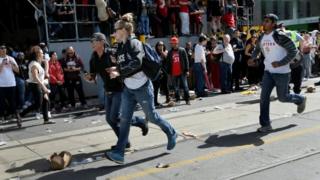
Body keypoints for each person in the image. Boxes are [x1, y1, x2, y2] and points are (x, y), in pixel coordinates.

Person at [105, 13, 177, 164]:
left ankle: (171, 132)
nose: (113, 34)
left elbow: (136, 63)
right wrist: (115, 69)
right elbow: (123, 65)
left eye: (115, 31)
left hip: (142, 88)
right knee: (124, 119)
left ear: (123, 30)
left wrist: (119, 71)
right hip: (128, 89)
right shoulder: (120, 47)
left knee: (152, 117)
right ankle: (119, 152)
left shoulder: (135, 43)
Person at [84, 32, 149, 150]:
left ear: (102, 42)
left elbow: (123, 67)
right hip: (108, 90)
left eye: (94, 40)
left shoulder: (112, 54)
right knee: (110, 119)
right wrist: (89, 78)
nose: (91, 43)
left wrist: (116, 69)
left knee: (115, 117)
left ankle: (140, 122)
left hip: (120, 89)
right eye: (91, 41)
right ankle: (125, 142)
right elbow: (93, 76)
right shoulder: (93, 57)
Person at [248, 14, 307, 133]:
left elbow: (293, 51)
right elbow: (257, 49)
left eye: (267, 21)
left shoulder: (280, 36)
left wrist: (281, 63)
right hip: (268, 72)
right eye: (264, 21)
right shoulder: (261, 37)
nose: (264, 23)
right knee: (264, 98)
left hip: (282, 73)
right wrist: (253, 58)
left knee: (283, 97)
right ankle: (266, 124)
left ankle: (300, 99)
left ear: (273, 24)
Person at [21, 46, 55, 124]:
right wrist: (43, 87)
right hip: (35, 85)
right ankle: (20, 114)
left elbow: (45, 64)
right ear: (37, 54)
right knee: (38, 104)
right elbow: (35, 77)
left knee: (45, 100)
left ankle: (46, 120)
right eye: (41, 53)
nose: (43, 54)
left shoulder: (38, 63)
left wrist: (46, 62)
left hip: (40, 84)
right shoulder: (34, 64)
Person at [0, 45, 22, 127]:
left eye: (4, 48)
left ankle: (17, 117)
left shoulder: (11, 58)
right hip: (1, 84)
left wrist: (11, 64)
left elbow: (17, 70)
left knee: (13, 102)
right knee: (2, 102)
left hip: (11, 83)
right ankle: (3, 116)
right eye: (1, 48)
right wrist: (2, 64)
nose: (3, 50)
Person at [166, 36, 191, 105]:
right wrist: (168, 72)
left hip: (182, 72)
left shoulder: (182, 50)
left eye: (173, 43)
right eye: (171, 43)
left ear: (177, 43)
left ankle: (187, 99)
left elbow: (186, 61)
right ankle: (178, 99)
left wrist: (187, 70)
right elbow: (168, 62)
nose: (172, 44)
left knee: (185, 86)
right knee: (176, 88)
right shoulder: (170, 52)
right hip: (174, 72)